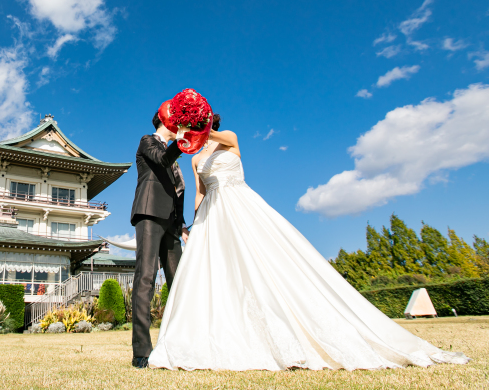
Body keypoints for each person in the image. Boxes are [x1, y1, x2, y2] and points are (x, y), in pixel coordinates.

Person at [148, 114, 469, 371]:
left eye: (200, 125)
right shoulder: (195, 159)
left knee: (268, 262)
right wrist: (194, 225)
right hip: (212, 214)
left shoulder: (228, 138)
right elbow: (200, 192)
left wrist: (198, 128)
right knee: (218, 274)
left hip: (242, 205)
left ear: (209, 124)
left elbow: (219, 138)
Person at [129, 111, 189, 369]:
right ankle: (141, 352)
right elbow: (163, 159)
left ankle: (182, 344)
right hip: (150, 213)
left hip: (172, 222)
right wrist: (182, 141)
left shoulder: (172, 152)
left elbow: (178, 189)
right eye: (176, 123)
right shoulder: (147, 141)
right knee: (146, 277)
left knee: (181, 281)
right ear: (165, 122)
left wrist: (182, 224)